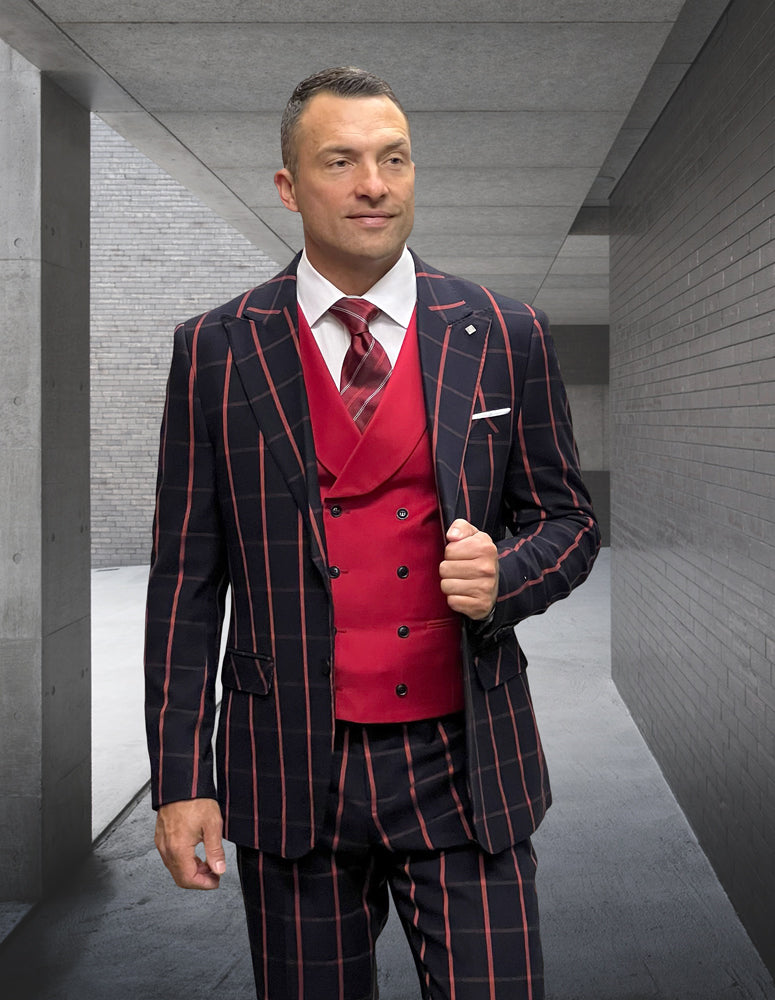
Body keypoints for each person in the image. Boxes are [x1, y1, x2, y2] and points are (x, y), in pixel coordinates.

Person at [145, 66, 600, 1000]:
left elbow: (568, 520)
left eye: (393, 159)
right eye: (342, 160)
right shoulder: (216, 349)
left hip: (462, 761)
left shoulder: (504, 330)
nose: (373, 184)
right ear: (288, 187)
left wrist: (506, 575)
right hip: (292, 764)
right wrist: (181, 776)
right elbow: (185, 582)